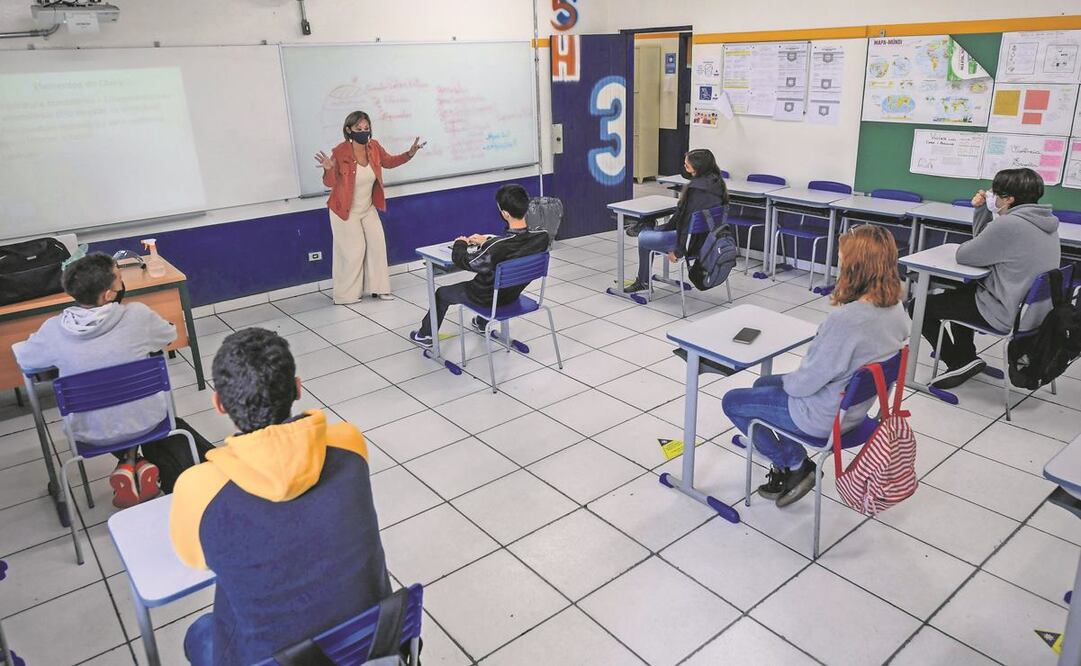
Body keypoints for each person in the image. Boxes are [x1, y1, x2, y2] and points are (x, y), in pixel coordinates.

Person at [172, 328, 391, 666]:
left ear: (218, 404)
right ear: (297, 388)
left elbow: (195, 560)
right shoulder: (349, 443)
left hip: (277, 658)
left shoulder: (199, 488)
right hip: (371, 646)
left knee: (200, 632)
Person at [721, 225, 910, 507]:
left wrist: (794, 378)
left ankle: (794, 463)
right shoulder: (895, 308)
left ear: (857, 267)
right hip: (855, 410)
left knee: (733, 401)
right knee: (762, 383)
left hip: (821, 417)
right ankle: (790, 459)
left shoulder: (847, 321)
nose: (839, 263)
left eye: (842, 258)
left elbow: (804, 384)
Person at [13, 253, 213, 507]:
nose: (122, 283)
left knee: (110, 416)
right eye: (119, 278)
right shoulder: (137, 316)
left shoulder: (53, 330)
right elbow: (169, 334)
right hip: (148, 421)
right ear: (108, 295)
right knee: (160, 422)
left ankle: (131, 463)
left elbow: (26, 361)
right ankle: (173, 473)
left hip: (91, 433)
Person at [917, 167, 1061, 389]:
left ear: (1010, 199)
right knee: (960, 294)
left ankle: (958, 361)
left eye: (996, 193)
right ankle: (968, 357)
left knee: (919, 305)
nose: (991, 196)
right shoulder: (1047, 222)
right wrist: (983, 209)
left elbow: (966, 254)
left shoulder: (1009, 224)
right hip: (1036, 314)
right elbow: (984, 246)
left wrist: (982, 211)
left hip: (1006, 313)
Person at [409, 183, 550, 347]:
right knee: (494, 282)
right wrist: (489, 241)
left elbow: (468, 262)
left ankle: (425, 335)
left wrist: (460, 244)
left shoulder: (498, 247)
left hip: (486, 298)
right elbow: (515, 243)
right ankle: (482, 323)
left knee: (441, 294)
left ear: (504, 213)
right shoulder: (542, 237)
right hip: (512, 295)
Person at [315, 110, 424, 304]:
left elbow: (388, 162)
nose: (364, 132)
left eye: (366, 128)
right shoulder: (340, 152)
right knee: (354, 251)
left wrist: (409, 154)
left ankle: (379, 289)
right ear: (349, 130)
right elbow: (330, 183)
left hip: (367, 208)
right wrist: (328, 169)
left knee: (377, 245)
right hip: (343, 210)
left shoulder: (373, 147)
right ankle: (345, 295)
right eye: (359, 129)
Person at [624, 148, 728, 293]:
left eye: (686, 165)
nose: (684, 168)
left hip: (689, 243)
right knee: (655, 229)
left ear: (697, 168)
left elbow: (684, 224)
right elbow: (683, 218)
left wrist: (678, 252)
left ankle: (643, 282)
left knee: (644, 239)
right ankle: (645, 227)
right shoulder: (718, 183)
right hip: (707, 240)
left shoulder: (695, 190)